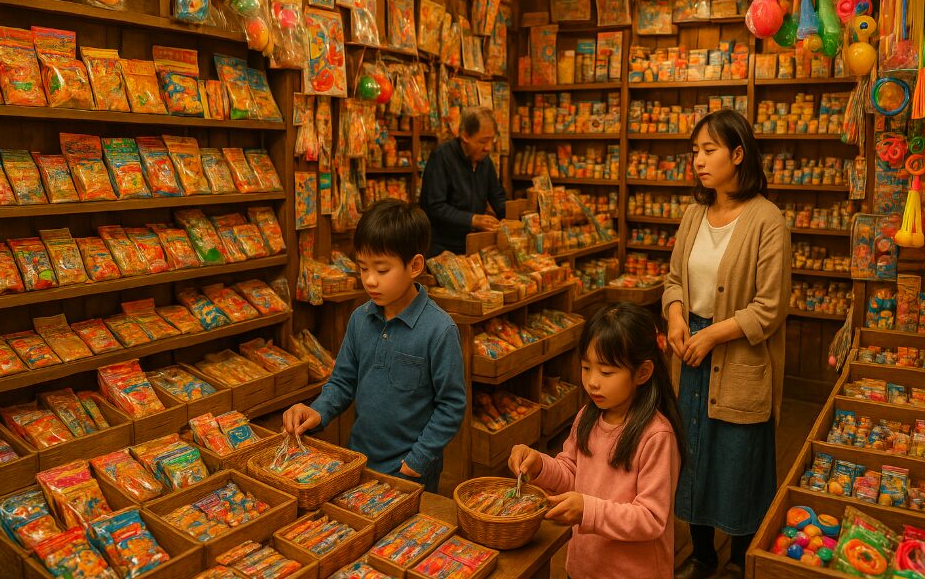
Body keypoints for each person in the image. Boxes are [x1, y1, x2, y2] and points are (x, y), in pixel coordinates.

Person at [662, 109, 790, 579]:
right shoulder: (694, 214)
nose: (698, 159)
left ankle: (739, 559)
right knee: (691, 454)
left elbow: (770, 307)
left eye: (709, 150)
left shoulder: (767, 219)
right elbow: (674, 280)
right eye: (695, 151)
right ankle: (701, 556)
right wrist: (676, 314)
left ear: (738, 155)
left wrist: (713, 333)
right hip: (689, 353)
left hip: (735, 353)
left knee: (739, 457)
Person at [282, 199, 466, 493]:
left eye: (381, 270)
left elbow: (451, 406)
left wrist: (419, 459)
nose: (369, 280)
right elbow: (343, 381)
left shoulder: (439, 330)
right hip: (359, 459)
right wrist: (317, 412)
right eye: (363, 267)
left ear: (415, 266)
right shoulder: (360, 318)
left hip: (411, 471)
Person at [509, 302, 685, 579]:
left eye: (606, 372)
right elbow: (570, 474)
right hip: (584, 566)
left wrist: (588, 510)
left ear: (642, 373)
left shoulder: (656, 436)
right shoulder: (587, 417)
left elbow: (651, 518)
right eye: (586, 368)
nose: (592, 382)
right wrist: (539, 465)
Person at [419, 106, 508, 256]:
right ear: (465, 136)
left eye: (492, 140)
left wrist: (514, 216)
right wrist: (472, 219)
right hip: (442, 249)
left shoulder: (484, 161)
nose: (488, 147)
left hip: (474, 245)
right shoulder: (442, 157)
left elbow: (497, 195)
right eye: (483, 141)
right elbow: (434, 206)